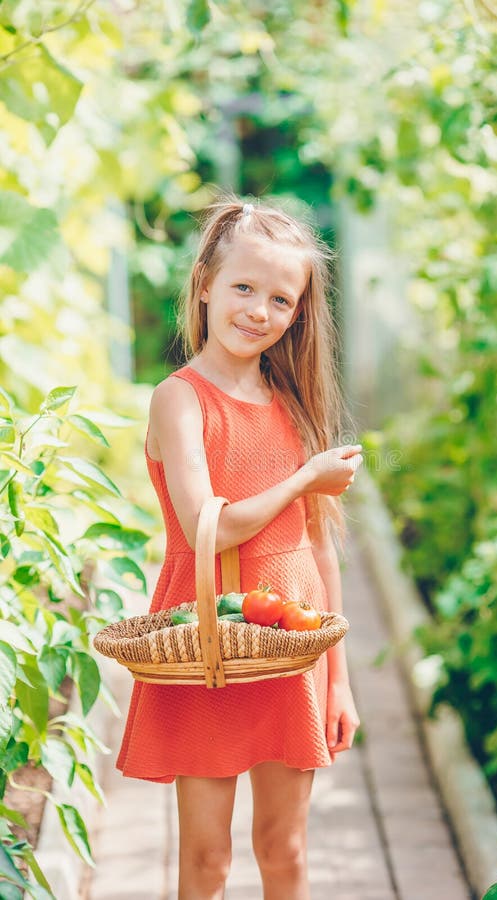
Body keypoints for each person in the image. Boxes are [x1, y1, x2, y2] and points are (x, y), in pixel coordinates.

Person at [116, 195, 363, 900]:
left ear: (298, 315)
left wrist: (338, 678)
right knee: (206, 862)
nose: (259, 310)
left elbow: (319, 550)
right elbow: (209, 525)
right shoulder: (180, 398)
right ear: (205, 286)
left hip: (291, 641)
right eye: (244, 288)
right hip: (211, 642)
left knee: (284, 851)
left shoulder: (291, 404)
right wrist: (306, 478)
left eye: (281, 299)